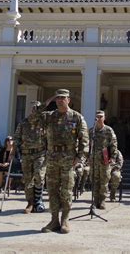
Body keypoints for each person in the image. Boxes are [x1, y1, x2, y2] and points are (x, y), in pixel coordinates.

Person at [41, 89, 89, 234]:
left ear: (68, 100)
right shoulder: (49, 116)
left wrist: (80, 157)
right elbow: (35, 114)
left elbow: (84, 140)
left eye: (63, 98)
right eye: (58, 98)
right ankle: (54, 220)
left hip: (68, 158)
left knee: (66, 190)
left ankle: (65, 220)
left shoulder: (76, 117)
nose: (60, 100)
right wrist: (48, 100)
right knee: (52, 189)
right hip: (52, 157)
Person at [13, 101, 47, 214]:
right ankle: (30, 202)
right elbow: (17, 137)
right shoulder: (23, 123)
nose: (35, 110)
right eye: (33, 108)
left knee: (39, 175)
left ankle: (38, 200)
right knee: (28, 179)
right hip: (26, 154)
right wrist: (14, 149)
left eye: (37, 108)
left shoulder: (43, 122)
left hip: (40, 153)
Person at [89, 110, 118, 210]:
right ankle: (95, 200)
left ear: (104, 118)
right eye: (97, 117)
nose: (99, 118)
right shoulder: (91, 131)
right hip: (93, 160)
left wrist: (113, 157)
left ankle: (102, 200)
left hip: (104, 160)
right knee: (94, 180)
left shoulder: (108, 130)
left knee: (104, 180)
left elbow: (114, 144)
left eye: (101, 116)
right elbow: (87, 145)